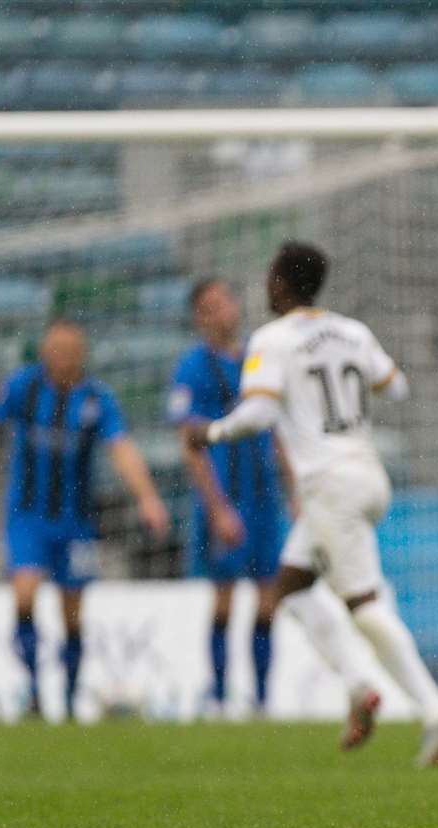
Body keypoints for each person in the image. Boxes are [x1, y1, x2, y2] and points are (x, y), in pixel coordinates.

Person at [194, 241, 438, 767]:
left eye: (270, 277)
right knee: (290, 590)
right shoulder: (353, 331)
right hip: (367, 475)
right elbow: (398, 387)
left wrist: (212, 432)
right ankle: (360, 685)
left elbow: (257, 414)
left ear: (280, 283)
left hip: (328, 487)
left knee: (363, 607)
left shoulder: (272, 339)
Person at [0, 319, 170, 721]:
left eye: (68, 352)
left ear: (81, 356)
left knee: (72, 613)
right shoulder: (23, 387)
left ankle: (71, 696)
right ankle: (36, 692)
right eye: (53, 351)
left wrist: (148, 497)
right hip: (27, 518)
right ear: (44, 353)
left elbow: (122, 449)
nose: (59, 359)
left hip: (76, 522)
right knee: (24, 594)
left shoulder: (96, 398)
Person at [170, 278, 293, 718]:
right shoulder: (192, 368)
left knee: (268, 598)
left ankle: (262, 700)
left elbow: (279, 431)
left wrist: (293, 492)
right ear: (200, 317)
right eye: (211, 306)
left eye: (226, 301)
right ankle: (220, 697)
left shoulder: (260, 360)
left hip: (264, 499)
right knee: (223, 599)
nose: (222, 311)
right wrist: (218, 507)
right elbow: (191, 442)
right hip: (226, 500)